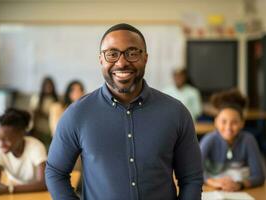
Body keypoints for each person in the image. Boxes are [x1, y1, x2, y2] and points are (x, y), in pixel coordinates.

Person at [46, 23, 203, 200]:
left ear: (145, 58)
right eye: (112, 54)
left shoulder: (176, 113)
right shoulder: (77, 114)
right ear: (101, 59)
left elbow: (191, 178)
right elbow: (55, 173)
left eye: (132, 53)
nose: (121, 62)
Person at [200, 89, 266, 191]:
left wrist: (240, 184)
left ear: (242, 123)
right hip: (213, 190)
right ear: (216, 122)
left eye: (234, 122)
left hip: (242, 191)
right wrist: (213, 182)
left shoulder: (248, 140)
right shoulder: (209, 140)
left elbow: (259, 176)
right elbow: (193, 171)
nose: (228, 127)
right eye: (223, 121)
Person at [0, 108, 47, 196]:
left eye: (6, 140)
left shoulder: (36, 147)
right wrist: (8, 189)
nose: (1, 144)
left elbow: (43, 184)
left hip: (36, 193)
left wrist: (9, 189)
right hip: (15, 191)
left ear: (22, 134)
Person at [30, 76, 58, 148]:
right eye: (46, 86)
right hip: (38, 129)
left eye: (50, 86)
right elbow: (32, 112)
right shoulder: (36, 98)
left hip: (50, 131)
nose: (48, 88)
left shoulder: (55, 99)